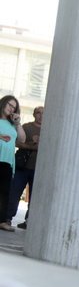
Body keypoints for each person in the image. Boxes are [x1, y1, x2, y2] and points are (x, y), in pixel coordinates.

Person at [6, 105, 42, 229]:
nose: (41, 115)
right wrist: (32, 145)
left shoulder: (49, 129)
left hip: (39, 169)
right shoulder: (26, 127)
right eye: (38, 112)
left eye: (43, 113)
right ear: (34, 114)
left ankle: (29, 221)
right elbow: (17, 142)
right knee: (14, 192)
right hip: (23, 166)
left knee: (35, 197)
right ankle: (7, 218)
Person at [0, 96, 25, 233]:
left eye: (14, 107)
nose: (11, 109)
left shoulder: (12, 124)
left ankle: (2, 221)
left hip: (8, 161)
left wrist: (18, 123)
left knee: (5, 192)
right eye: (9, 105)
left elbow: (22, 139)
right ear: (3, 103)